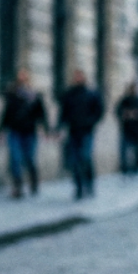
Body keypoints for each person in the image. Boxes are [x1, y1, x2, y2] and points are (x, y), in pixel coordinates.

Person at [0, 68, 48, 198]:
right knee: (15, 158)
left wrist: (46, 129)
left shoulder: (35, 95)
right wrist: (0, 130)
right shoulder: (12, 95)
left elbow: (42, 114)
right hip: (14, 131)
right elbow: (6, 114)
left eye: (24, 75)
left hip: (30, 132)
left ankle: (33, 180)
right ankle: (17, 186)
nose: (22, 78)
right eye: (20, 75)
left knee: (29, 158)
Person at [58, 69, 104, 199]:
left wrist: (90, 122)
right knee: (74, 161)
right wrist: (59, 127)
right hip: (73, 132)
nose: (77, 79)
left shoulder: (91, 94)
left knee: (86, 157)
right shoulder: (69, 94)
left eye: (80, 76)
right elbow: (63, 113)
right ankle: (78, 187)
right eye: (76, 76)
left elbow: (99, 111)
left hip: (86, 132)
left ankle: (89, 183)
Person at [115, 82, 138, 175]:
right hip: (126, 130)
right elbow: (118, 112)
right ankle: (124, 170)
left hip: (137, 130)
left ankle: (137, 168)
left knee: (137, 151)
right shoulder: (124, 101)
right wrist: (126, 114)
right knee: (124, 151)